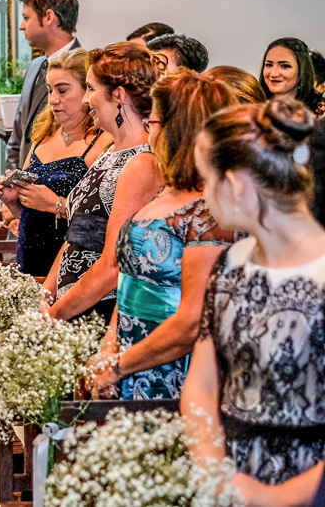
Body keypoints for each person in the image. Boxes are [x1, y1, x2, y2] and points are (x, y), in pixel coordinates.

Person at [182, 98, 325, 493]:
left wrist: (272, 499)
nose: (204, 195)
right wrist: (212, 468)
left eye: (206, 180)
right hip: (231, 476)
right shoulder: (230, 264)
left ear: (235, 186)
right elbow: (202, 384)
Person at [86, 70, 235, 400]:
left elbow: (192, 321)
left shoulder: (209, 211)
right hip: (128, 356)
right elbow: (129, 280)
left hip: (172, 370)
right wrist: (109, 348)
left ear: (177, 129)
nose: (148, 129)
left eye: (152, 121)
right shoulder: (166, 192)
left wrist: (118, 366)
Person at [43, 43, 163, 322]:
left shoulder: (143, 162)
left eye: (91, 88)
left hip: (101, 310)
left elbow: (113, 263)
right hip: (73, 305)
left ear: (118, 95)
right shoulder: (110, 152)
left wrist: (56, 314)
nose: (86, 100)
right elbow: (77, 236)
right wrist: (46, 295)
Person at [0, 49, 111, 276]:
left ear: (87, 90)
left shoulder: (104, 142)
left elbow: (107, 221)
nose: (53, 99)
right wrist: (13, 203)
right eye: (50, 90)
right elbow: (33, 216)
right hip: (30, 261)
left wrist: (55, 204)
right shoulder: (43, 134)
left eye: (62, 90)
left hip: (74, 265)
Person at [6, 0, 83, 171]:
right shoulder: (35, 67)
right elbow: (18, 136)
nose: (21, 26)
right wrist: (12, 178)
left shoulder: (85, 69)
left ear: (48, 17)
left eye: (26, 18)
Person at [259, 37, 320, 111]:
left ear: (302, 70)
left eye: (284, 66)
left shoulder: (320, 110)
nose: (273, 74)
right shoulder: (254, 107)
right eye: (269, 65)